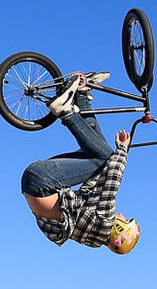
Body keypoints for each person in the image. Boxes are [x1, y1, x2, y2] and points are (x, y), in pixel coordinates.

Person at [20, 73, 141, 254]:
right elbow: (96, 181)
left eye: (125, 220)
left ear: (120, 230)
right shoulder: (91, 234)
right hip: (33, 182)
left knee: (105, 157)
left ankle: (65, 111)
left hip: (43, 184)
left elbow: (113, 177)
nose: (122, 216)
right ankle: (82, 95)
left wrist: (123, 149)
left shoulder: (106, 219)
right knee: (100, 155)